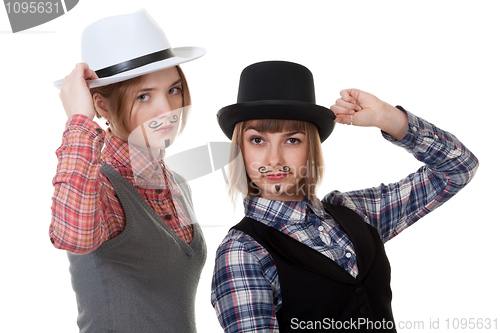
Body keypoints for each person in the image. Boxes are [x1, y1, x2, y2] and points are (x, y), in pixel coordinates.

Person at [211, 61, 479, 332]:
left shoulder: (353, 212)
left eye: (292, 140)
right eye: (258, 140)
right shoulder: (243, 251)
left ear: (311, 148)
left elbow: (458, 168)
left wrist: (388, 118)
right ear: (239, 149)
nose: (274, 158)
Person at [50, 9, 206, 332]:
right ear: (102, 105)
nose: (167, 110)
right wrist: (79, 119)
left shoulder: (177, 185)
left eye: (173, 89)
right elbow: (71, 234)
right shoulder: (101, 185)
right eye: (144, 96)